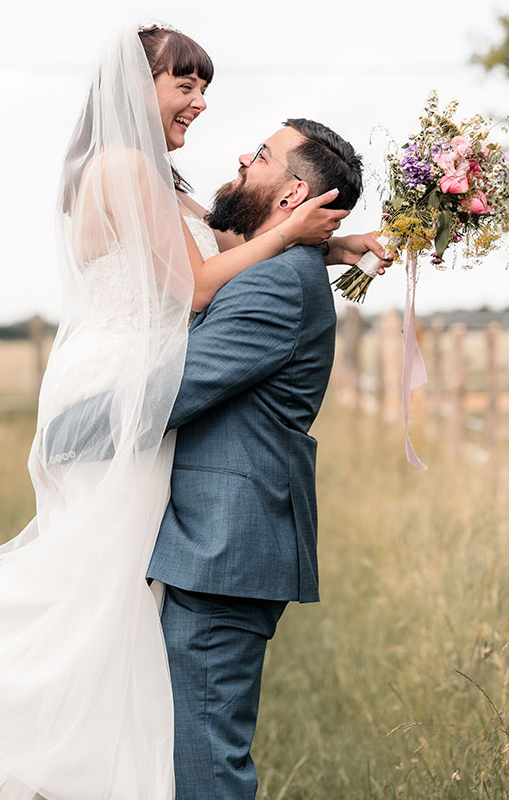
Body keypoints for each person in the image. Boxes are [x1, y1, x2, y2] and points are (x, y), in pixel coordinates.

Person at [0, 24, 385, 800]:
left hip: (142, 397)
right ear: (137, 88)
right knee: (86, 605)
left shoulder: (164, 178)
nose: (202, 105)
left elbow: (224, 244)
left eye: (204, 88)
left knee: (100, 621)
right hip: (121, 389)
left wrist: (326, 244)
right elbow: (201, 285)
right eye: (187, 85)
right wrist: (301, 237)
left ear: (295, 191)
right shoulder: (131, 164)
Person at [148, 118, 366, 799]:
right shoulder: (275, 268)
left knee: (205, 763)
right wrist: (335, 247)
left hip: (224, 553)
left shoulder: (274, 287)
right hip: (211, 547)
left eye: (263, 155)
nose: (244, 154)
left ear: (293, 192)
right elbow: (228, 239)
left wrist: (68, 424)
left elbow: (167, 397)